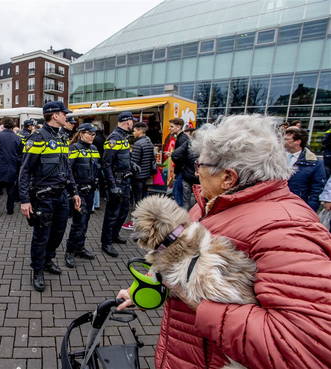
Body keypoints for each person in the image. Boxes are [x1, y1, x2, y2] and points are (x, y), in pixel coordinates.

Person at [116, 114, 331, 369]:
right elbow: (186, 260)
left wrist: (188, 293)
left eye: (200, 164)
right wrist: (152, 284)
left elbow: (304, 350)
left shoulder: (286, 229)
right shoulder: (213, 203)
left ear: (228, 177)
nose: (196, 171)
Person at [19, 101, 80, 292]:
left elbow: (67, 169)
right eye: (64, 114)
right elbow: (24, 171)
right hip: (43, 197)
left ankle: (48, 259)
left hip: (61, 196)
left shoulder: (62, 137)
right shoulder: (37, 138)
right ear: (54, 115)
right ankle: (37, 270)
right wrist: (24, 199)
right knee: (41, 235)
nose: (66, 117)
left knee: (58, 232)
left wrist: (74, 192)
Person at [64, 123, 99, 268]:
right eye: (89, 134)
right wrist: (74, 193)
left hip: (90, 191)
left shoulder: (94, 148)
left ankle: (80, 247)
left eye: (94, 134)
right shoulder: (73, 148)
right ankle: (70, 251)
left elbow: (97, 168)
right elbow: (68, 171)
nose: (92, 137)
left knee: (85, 221)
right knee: (78, 222)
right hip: (79, 192)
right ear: (81, 133)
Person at [100, 111, 135, 257]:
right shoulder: (114, 138)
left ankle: (114, 235)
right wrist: (112, 185)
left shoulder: (124, 137)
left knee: (123, 210)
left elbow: (123, 158)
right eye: (132, 121)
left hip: (126, 181)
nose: (133, 124)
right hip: (117, 181)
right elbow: (106, 164)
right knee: (112, 214)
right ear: (128, 122)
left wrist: (132, 165)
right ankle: (106, 242)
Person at [122, 122, 156, 230]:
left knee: (137, 201)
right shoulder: (149, 142)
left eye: (135, 130)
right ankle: (144, 222)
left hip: (138, 177)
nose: (133, 132)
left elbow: (134, 163)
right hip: (146, 175)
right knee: (143, 200)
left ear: (140, 131)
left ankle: (135, 223)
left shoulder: (138, 144)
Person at [284, 127, 326, 212]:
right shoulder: (276, 158)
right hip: (276, 204)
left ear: (297, 142)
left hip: (297, 206)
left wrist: (309, 210)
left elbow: (316, 190)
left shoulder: (314, 163)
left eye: (286, 139)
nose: (282, 141)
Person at [0, 118, 21, 216]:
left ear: (4, 125)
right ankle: (10, 209)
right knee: (11, 190)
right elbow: (20, 153)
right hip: (12, 167)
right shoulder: (17, 138)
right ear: (13, 126)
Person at [171, 127, 199, 210]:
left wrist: (183, 165)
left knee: (185, 201)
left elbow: (175, 155)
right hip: (199, 178)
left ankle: (184, 220)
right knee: (199, 201)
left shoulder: (188, 143)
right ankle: (196, 217)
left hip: (187, 176)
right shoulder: (207, 146)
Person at [168, 118, 189, 207]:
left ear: (179, 127)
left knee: (178, 196)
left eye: (171, 126)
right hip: (181, 171)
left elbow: (183, 156)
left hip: (182, 171)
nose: (169, 128)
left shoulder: (182, 138)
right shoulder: (181, 137)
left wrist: (173, 155)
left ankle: (179, 218)